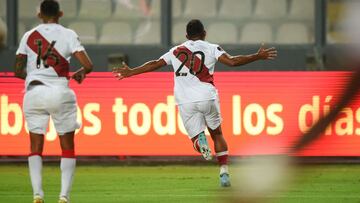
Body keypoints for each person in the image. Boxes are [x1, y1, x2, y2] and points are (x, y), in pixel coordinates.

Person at [113, 19, 277, 187]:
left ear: (186, 35)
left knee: (195, 140)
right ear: (204, 33)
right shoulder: (212, 48)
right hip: (207, 97)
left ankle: (200, 141)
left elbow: (155, 64)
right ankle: (224, 173)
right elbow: (233, 61)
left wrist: (132, 72)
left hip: (185, 101)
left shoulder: (176, 50)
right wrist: (257, 56)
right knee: (217, 134)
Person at [14, 0, 93, 202]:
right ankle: (64, 196)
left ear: (40, 15)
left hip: (34, 93)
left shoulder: (28, 36)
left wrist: (33, 76)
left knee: (35, 146)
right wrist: (80, 73)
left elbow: (17, 70)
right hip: (60, 92)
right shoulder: (68, 34)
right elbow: (87, 65)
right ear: (61, 14)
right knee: (67, 146)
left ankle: (37, 194)